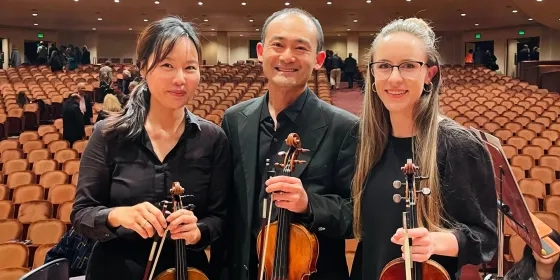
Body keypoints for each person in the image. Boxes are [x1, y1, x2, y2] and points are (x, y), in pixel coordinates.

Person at [70, 16, 232, 280]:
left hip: (187, 271)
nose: (180, 78)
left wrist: (198, 231)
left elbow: (220, 218)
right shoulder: (109, 134)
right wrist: (119, 215)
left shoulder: (213, 139)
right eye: (167, 65)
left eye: (190, 67)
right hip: (114, 271)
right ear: (144, 68)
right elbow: (81, 215)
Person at [349, 18, 498, 280]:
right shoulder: (365, 141)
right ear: (372, 73)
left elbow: (485, 238)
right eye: (384, 66)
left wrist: (435, 242)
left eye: (408, 65)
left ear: (429, 74)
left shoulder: (459, 145)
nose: (394, 78)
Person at [218, 8, 358, 280]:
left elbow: (356, 215)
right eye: (278, 45)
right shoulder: (234, 120)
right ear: (260, 51)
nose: (287, 56)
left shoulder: (345, 127)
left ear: (318, 59)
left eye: (300, 48)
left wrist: (309, 204)